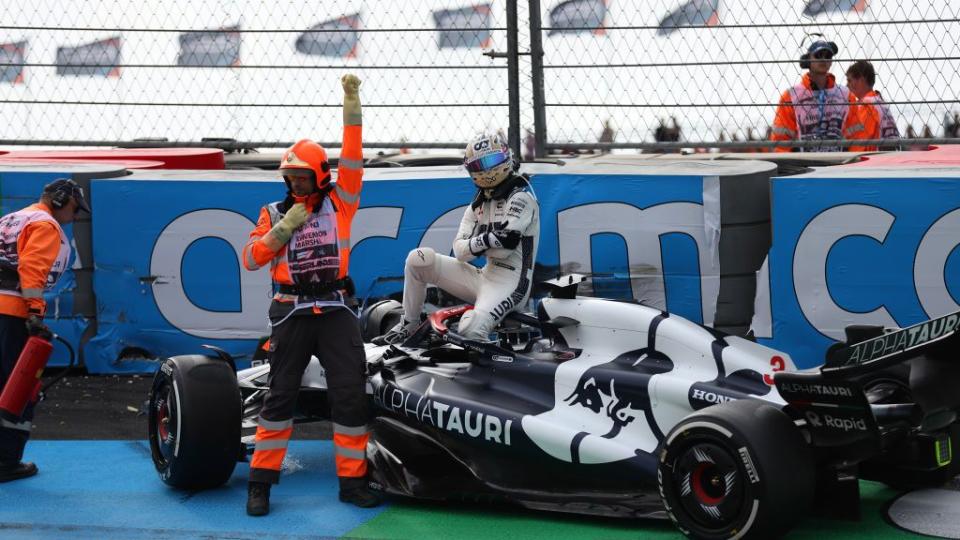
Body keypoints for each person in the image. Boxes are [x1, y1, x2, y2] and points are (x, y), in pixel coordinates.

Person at [241, 74, 378, 516]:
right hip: (290, 312)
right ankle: (260, 484)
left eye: (303, 178)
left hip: (336, 309)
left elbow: (353, 155)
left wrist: (351, 103)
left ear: (320, 176)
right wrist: (285, 227)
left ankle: (352, 483)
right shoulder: (273, 212)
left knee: (350, 394)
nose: (296, 186)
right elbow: (252, 258)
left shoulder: (342, 201)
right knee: (280, 396)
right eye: (290, 178)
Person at [378, 131, 540, 344]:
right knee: (418, 260)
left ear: (506, 158)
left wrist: (480, 244)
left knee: (470, 330)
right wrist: (490, 239)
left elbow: (505, 248)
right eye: (478, 165)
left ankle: (495, 369)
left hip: (511, 285)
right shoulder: (478, 205)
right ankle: (410, 324)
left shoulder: (521, 197)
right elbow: (460, 252)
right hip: (484, 277)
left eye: (491, 160)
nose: (486, 169)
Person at [0, 178, 90, 482]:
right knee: (19, 389)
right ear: (62, 199)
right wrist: (35, 314)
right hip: (12, 313)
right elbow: (32, 268)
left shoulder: (13, 218)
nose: (75, 216)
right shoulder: (46, 225)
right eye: (76, 209)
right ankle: (5, 461)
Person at [770, 39, 862, 152]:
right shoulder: (790, 96)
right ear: (808, 60)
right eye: (818, 55)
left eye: (828, 55)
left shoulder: (846, 96)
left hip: (838, 165)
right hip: (803, 167)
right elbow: (781, 142)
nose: (823, 59)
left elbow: (857, 138)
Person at [845, 60, 901, 152]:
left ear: (861, 80)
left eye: (850, 80)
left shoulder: (865, 106)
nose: (847, 85)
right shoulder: (881, 103)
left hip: (870, 161)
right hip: (888, 158)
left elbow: (860, 143)